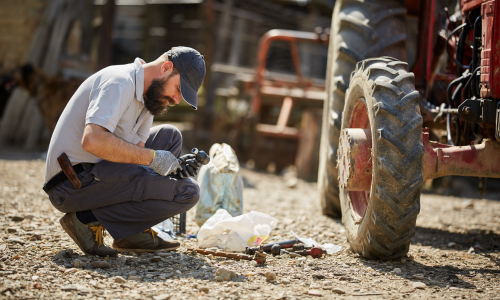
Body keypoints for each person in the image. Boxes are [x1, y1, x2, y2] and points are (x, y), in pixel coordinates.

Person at [42, 47, 206, 257]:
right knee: (188, 192)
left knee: (170, 136)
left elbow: (136, 157)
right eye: (179, 89)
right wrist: (155, 159)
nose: (176, 100)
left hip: (99, 174)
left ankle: (129, 235)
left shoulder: (148, 99)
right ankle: (84, 218)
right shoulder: (119, 81)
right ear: (166, 68)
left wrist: (175, 167)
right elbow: (92, 140)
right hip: (70, 185)